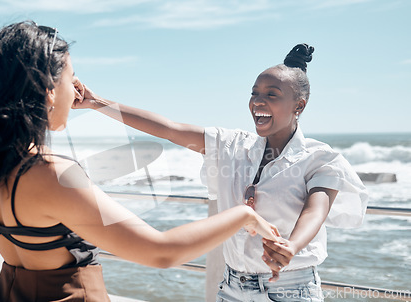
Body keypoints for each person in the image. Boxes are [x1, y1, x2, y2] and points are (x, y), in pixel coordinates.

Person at [0, 21, 280, 302]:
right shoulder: (53, 174)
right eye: (68, 78)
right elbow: (160, 252)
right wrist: (243, 214)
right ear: (46, 90)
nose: (75, 91)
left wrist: (97, 102)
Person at [75, 44, 368, 301]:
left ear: (299, 106)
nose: (258, 102)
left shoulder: (320, 158)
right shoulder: (231, 145)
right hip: (231, 287)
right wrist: (95, 102)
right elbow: (169, 129)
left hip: (291, 289)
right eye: (254, 93)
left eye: (271, 95)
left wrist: (290, 246)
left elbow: (315, 211)